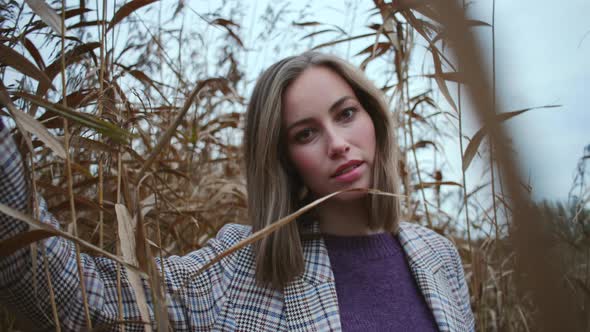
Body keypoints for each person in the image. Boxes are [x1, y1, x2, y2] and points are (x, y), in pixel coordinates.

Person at [0, 52, 475, 331]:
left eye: (346, 113)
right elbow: (84, 302)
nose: (337, 144)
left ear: (373, 117)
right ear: (283, 159)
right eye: (305, 134)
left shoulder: (438, 257)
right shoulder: (242, 266)